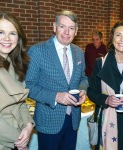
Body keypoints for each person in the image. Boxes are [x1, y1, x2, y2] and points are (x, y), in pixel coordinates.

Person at [25, 10, 88, 150]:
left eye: (71, 28)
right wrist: (55, 96)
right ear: (54, 27)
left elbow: (83, 78)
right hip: (48, 120)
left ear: (76, 31)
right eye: (62, 26)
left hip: (73, 120)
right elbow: (28, 85)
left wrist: (83, 90)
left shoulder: (79, 52)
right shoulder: (38, 51)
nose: (66, 32)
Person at [87, 20, 123, 150]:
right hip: (109, 124)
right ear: (112, 38)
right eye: (118, 35)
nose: (122, 39)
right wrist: (106, 99)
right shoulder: (100, 63)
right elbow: (91, 91)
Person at [0, 11, 34, 150]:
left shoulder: (14, 64)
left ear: (19, 38)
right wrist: (18, 140)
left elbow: (20, 102)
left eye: (12, 33)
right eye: (0, 32)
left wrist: (29, 125)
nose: (7, 38)